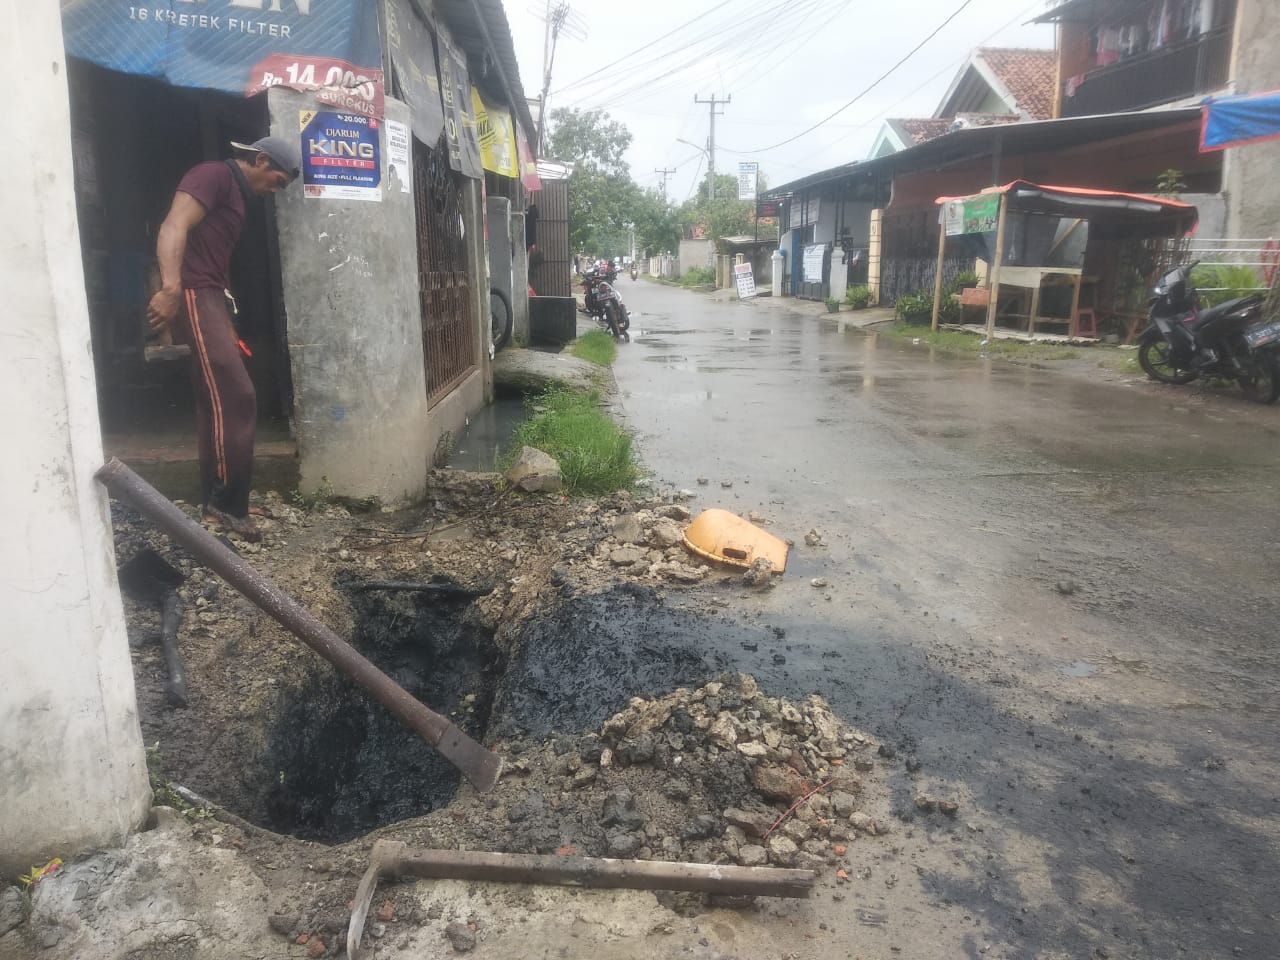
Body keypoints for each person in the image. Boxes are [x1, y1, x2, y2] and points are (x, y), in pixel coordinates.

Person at [146, 136, 300, 541]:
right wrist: (171, 289)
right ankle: (226, 504)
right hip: (194, 294)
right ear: (261, 159)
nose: (275, 191)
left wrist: (224, 317)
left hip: (210, 295)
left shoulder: (235, 191)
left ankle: (223, 500)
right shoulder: (213, 175)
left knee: (216, 400)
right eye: (278, 181)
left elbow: (213, 256)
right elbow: (173, 224)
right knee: (236, 397)